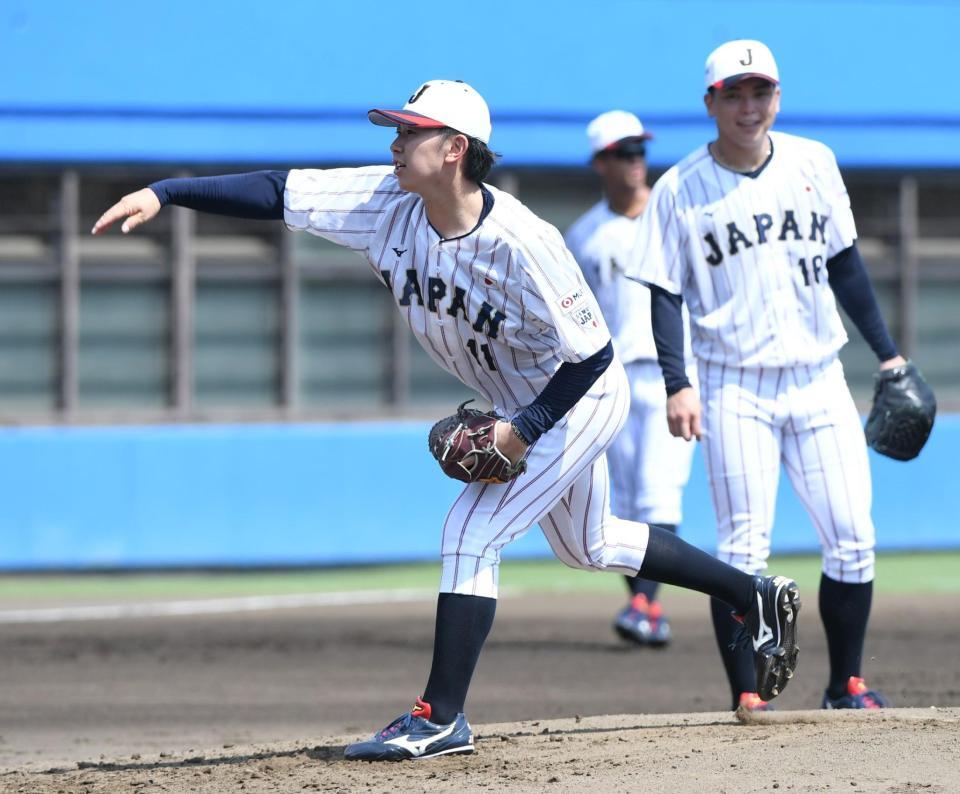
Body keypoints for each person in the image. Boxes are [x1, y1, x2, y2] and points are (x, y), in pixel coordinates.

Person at [92, 78, 800, 761]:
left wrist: (521, 430)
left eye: (410, 132)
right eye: (397, 132)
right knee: (588, 546)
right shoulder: (384, 201)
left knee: (470, 529)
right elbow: (280, 191)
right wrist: (165, 193)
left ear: (455, 148)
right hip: (517, 395)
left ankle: (440, 716)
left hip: (572, 395)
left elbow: (592, 356)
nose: (395, 143)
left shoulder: (524, 242)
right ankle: (753, 594)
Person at [628, 40, 900, 713]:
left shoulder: (813, 163)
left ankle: (847, 684)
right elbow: (663, 292)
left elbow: (846, 265)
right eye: (735, 93)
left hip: (817, 374)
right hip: (731, 381)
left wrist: (888, 354)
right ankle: (748, 694)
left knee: (853, 536)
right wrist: (677, 381)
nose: (750, 106)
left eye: (761, 92)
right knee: (743, 547)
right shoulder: (680, 188)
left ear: (777, 98)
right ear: (711, 103)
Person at [565, 111, 698, 648]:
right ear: (601, 162)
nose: (635, 161)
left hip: (674, 377)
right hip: (611, 381)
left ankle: (647, 604)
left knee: (659, 492)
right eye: (623, 153)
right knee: (620, 502)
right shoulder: (583, 236)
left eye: (639, 150)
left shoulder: (674, 221)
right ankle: (643, 604)